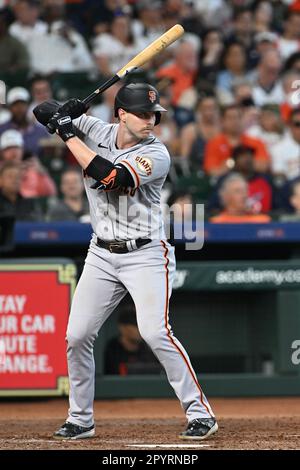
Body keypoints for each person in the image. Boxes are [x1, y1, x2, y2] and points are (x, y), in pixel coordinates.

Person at [33, 81, 218, 440]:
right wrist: (61, 112)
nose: (150, 120)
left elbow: (110, 177)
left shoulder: (157, 153)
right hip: (101, 252)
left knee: (155, 331)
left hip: (146, 253)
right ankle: (80, 418)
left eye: (154, 114)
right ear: (121, 114)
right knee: (76, 335)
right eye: (142, 113)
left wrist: (67, 133)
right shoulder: (98, 129)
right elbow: (42, 111)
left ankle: (200, 412)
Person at [203, 104, 270, 177]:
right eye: (230, 118)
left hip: (252, 180)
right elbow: (212, 171)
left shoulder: (255, 142)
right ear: (223, 121)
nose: (235, 121)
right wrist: (243, 162)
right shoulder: (214, 143)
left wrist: (230, 164)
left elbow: (263, 166)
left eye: (238, 117)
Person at [104, 303, 160, 375]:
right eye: (135, 325)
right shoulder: (112, 350)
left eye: (143, 326)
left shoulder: (148, 350)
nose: (140, 330)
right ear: (122, 327)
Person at [0, 129, 57, 198]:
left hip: (31, 206)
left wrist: (43, 173)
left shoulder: (33, 168)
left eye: (16, 147)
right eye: (8, 148)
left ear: (22, 150)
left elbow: (51, 192)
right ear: (2, 152)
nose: (13, 151)